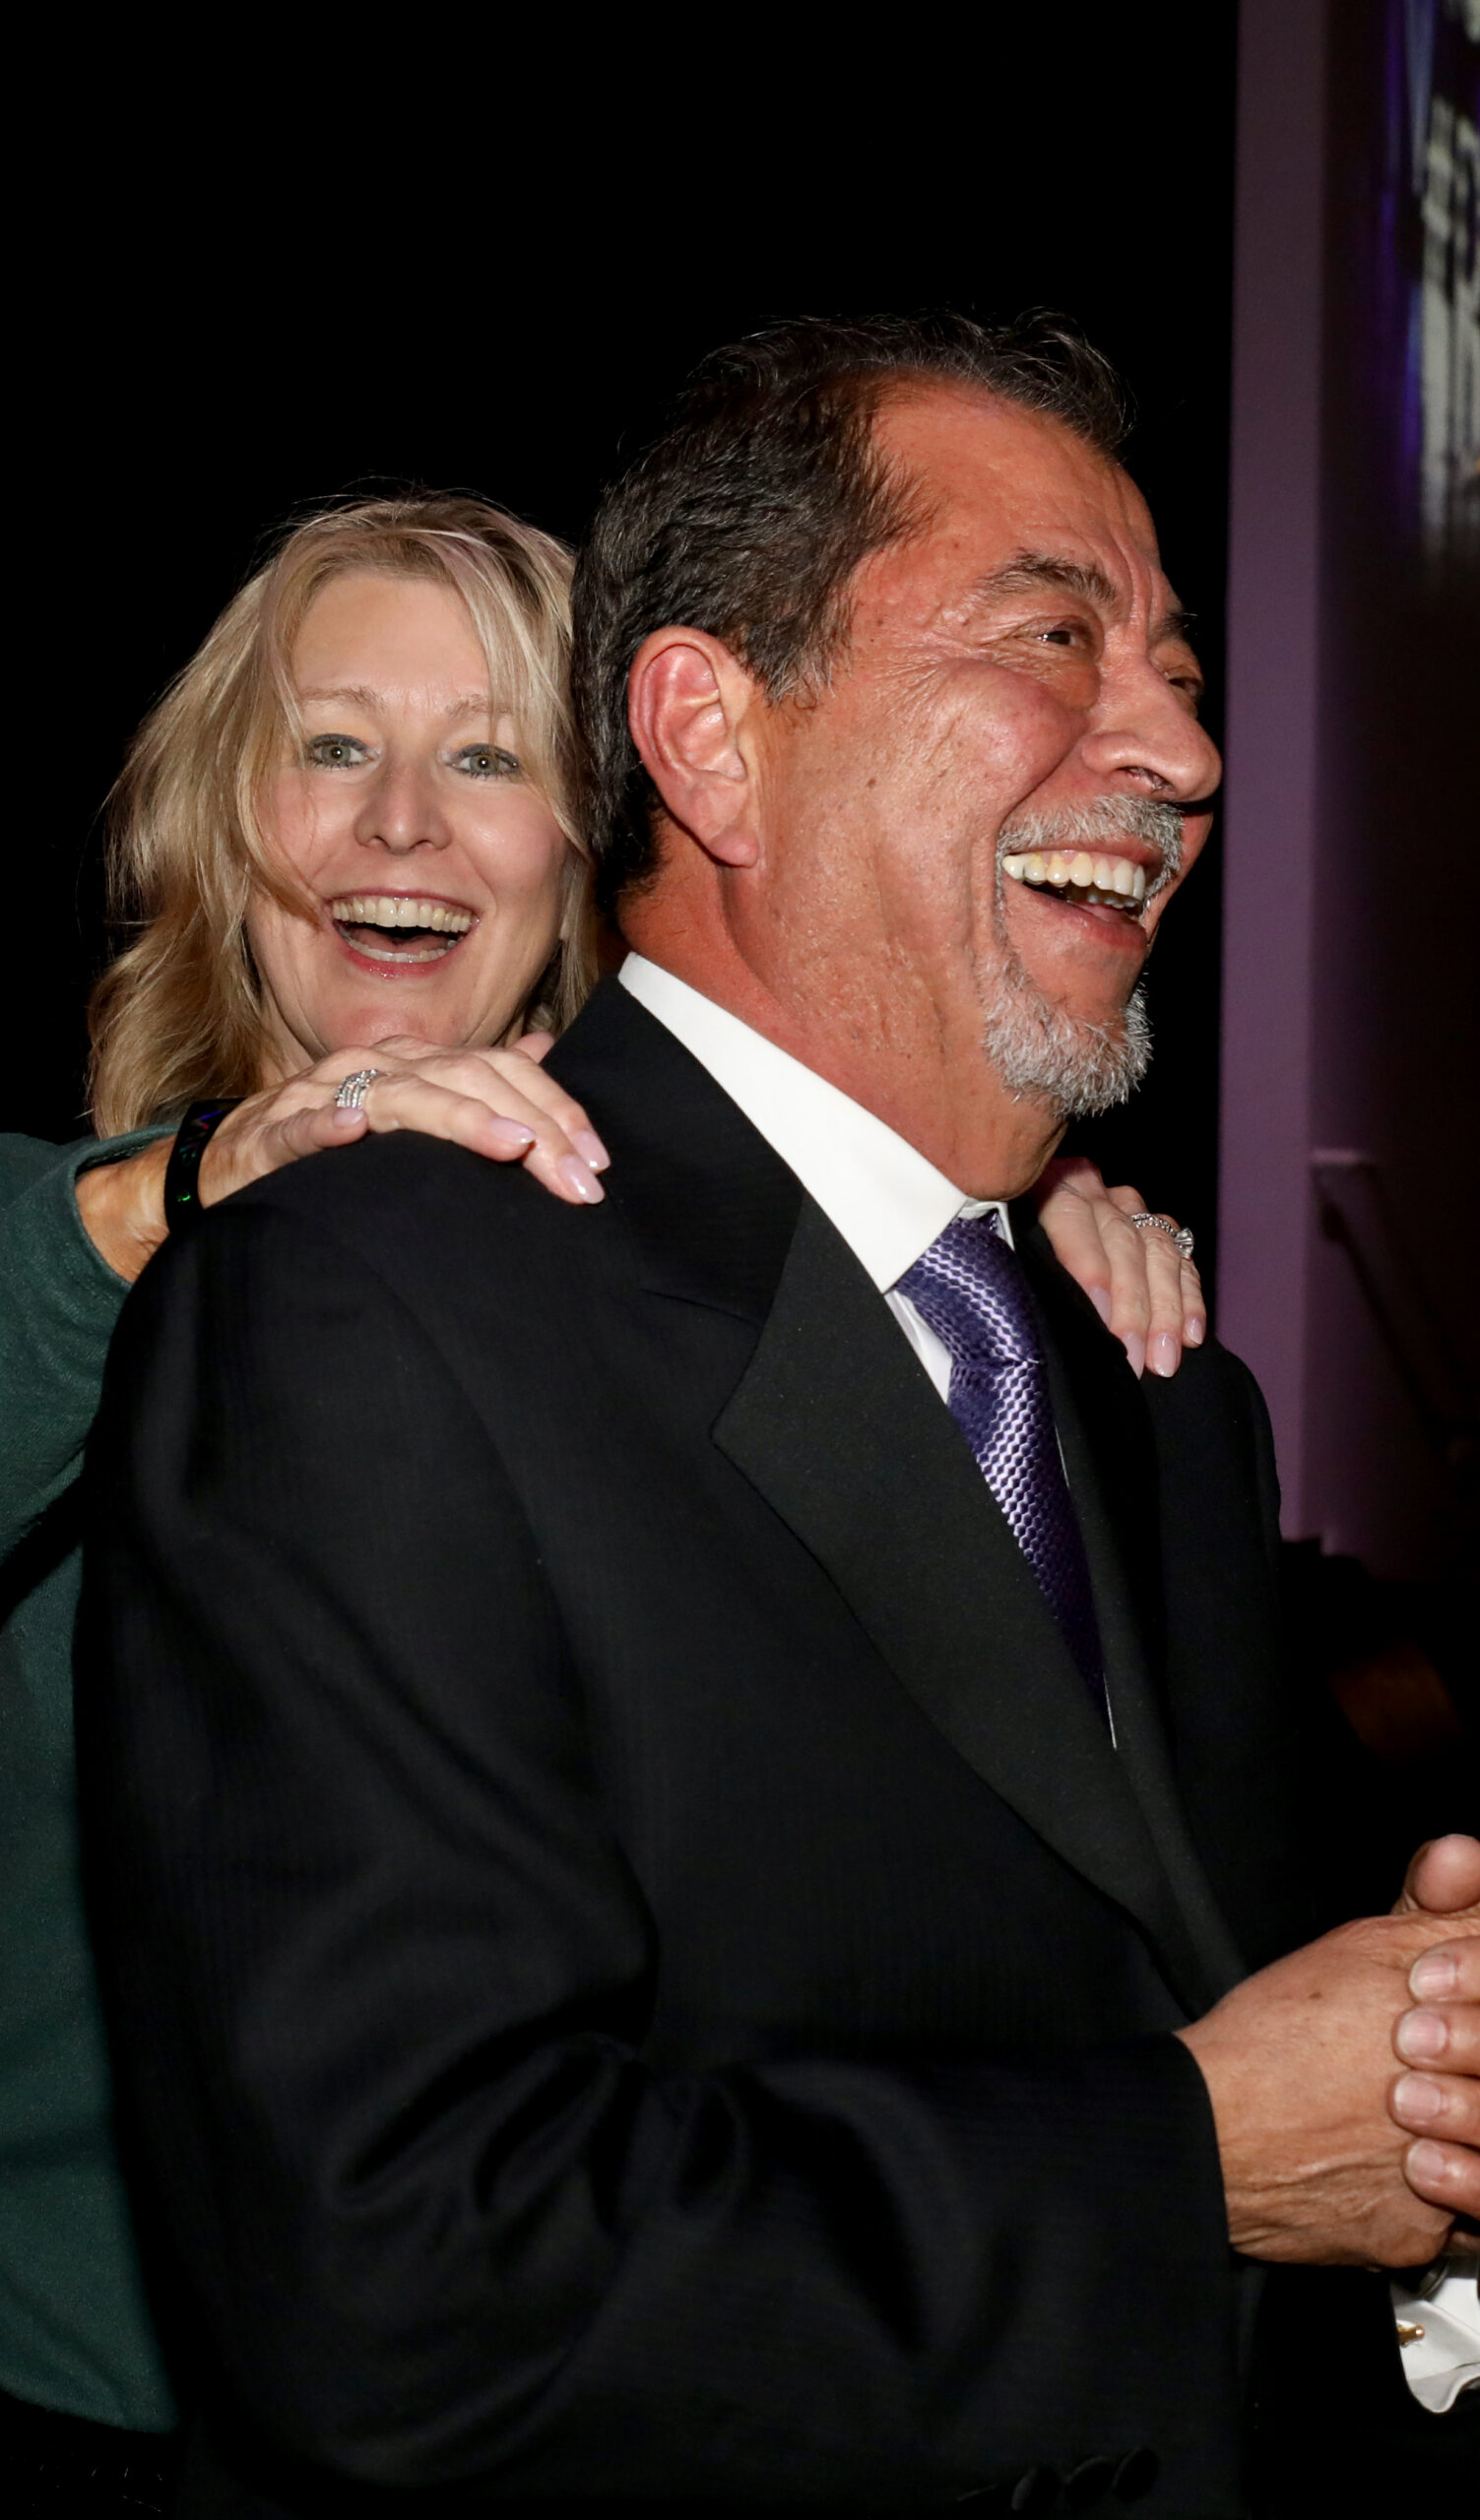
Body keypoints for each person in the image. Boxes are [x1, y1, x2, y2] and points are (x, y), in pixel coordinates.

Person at [77, 315, 1480, 2518]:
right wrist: (1192, 2154)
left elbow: (1239, 2144)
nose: (1179, 748)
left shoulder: (1161, 1395)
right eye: (1053, 638)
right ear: (713, 738)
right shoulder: (367, 1305)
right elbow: (399, 2279)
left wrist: (1439, 2172)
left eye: (1176, 670)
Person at [3, 487, 1196, 2512]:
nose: (401, 823)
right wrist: (179, 1191)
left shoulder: (691, 1321)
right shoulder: (71, 1232)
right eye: (332, 745)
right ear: (220, 820)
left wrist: (983, 1255)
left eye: (485, 760)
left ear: (592, 833)